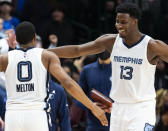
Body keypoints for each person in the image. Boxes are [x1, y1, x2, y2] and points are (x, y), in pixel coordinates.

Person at [45, 2, 168, 130]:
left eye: (123, 22)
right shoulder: (111, 41)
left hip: (141, 109)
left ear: (135, 21)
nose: (119, 26)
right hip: (117, 108)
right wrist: (44, 52)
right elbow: (77, 50)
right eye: (117, 21)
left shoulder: (152, 46)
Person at [0, 21, 108, 131]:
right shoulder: (46, 56)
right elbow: (68, 83)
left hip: (12, 115)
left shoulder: (4, 59)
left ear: (17, 40)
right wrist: (92, 106)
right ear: (34, 38)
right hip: (36, 114)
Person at [75, 50, 112, 131]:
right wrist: (91, 106)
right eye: (101, 46)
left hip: (117, 123)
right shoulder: (87, 70)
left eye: (106, 46)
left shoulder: (120, 69)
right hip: (93, 125)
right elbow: (77, 98)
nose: (103, 49)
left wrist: (115, 108)